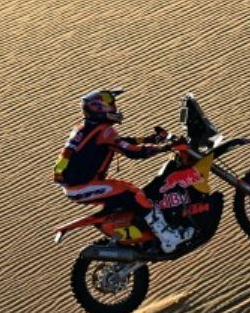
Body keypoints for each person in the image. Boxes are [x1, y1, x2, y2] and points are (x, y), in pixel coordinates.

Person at [54, 88, 189, 251]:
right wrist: (166, 148)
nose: (115, 108)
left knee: (130, 190)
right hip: (82, 186)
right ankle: (168, 238)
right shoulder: (104, 130)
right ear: (100, 108)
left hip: (78, 186)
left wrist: (150, 139)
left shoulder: (85, 128)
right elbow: (132, 151)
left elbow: (121, 142)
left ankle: (141, 232)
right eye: (111, 104)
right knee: (135, 195)